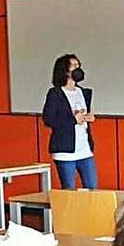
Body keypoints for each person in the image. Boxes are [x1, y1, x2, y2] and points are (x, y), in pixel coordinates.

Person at [42, 53, 97, 189]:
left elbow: (85, 115)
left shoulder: (84, 92)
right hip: (65, 150)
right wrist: (72, 120)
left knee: (92, 187)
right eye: (74, 66)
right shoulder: (55, 93)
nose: (78, 68)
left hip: (84, 148)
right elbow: (49, 119)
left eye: (79, 65)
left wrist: (89, 117)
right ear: (65, 71)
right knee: (69, 190)